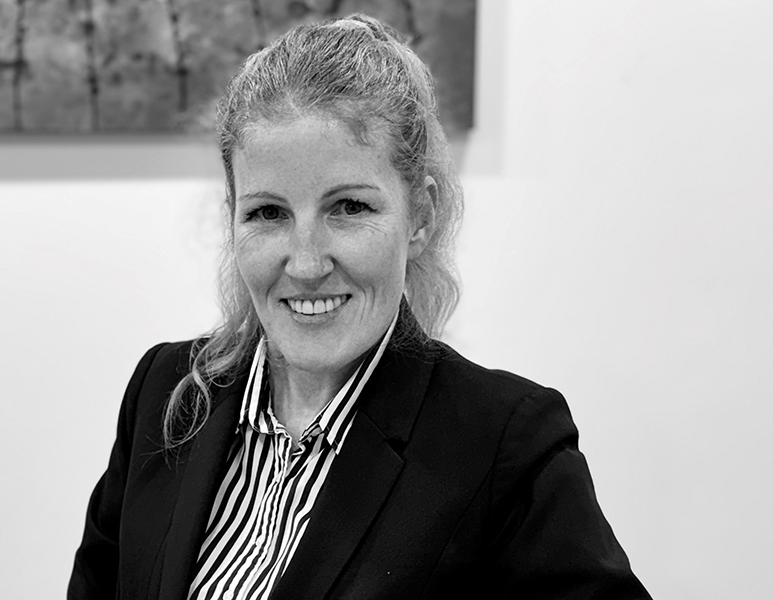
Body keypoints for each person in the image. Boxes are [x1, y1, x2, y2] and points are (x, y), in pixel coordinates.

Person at [68, 14, 651, 600]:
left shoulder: (505, 443)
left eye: (349, 207)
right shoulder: (167, 393)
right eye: (268, 213)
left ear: (420, 217)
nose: (305, 264)